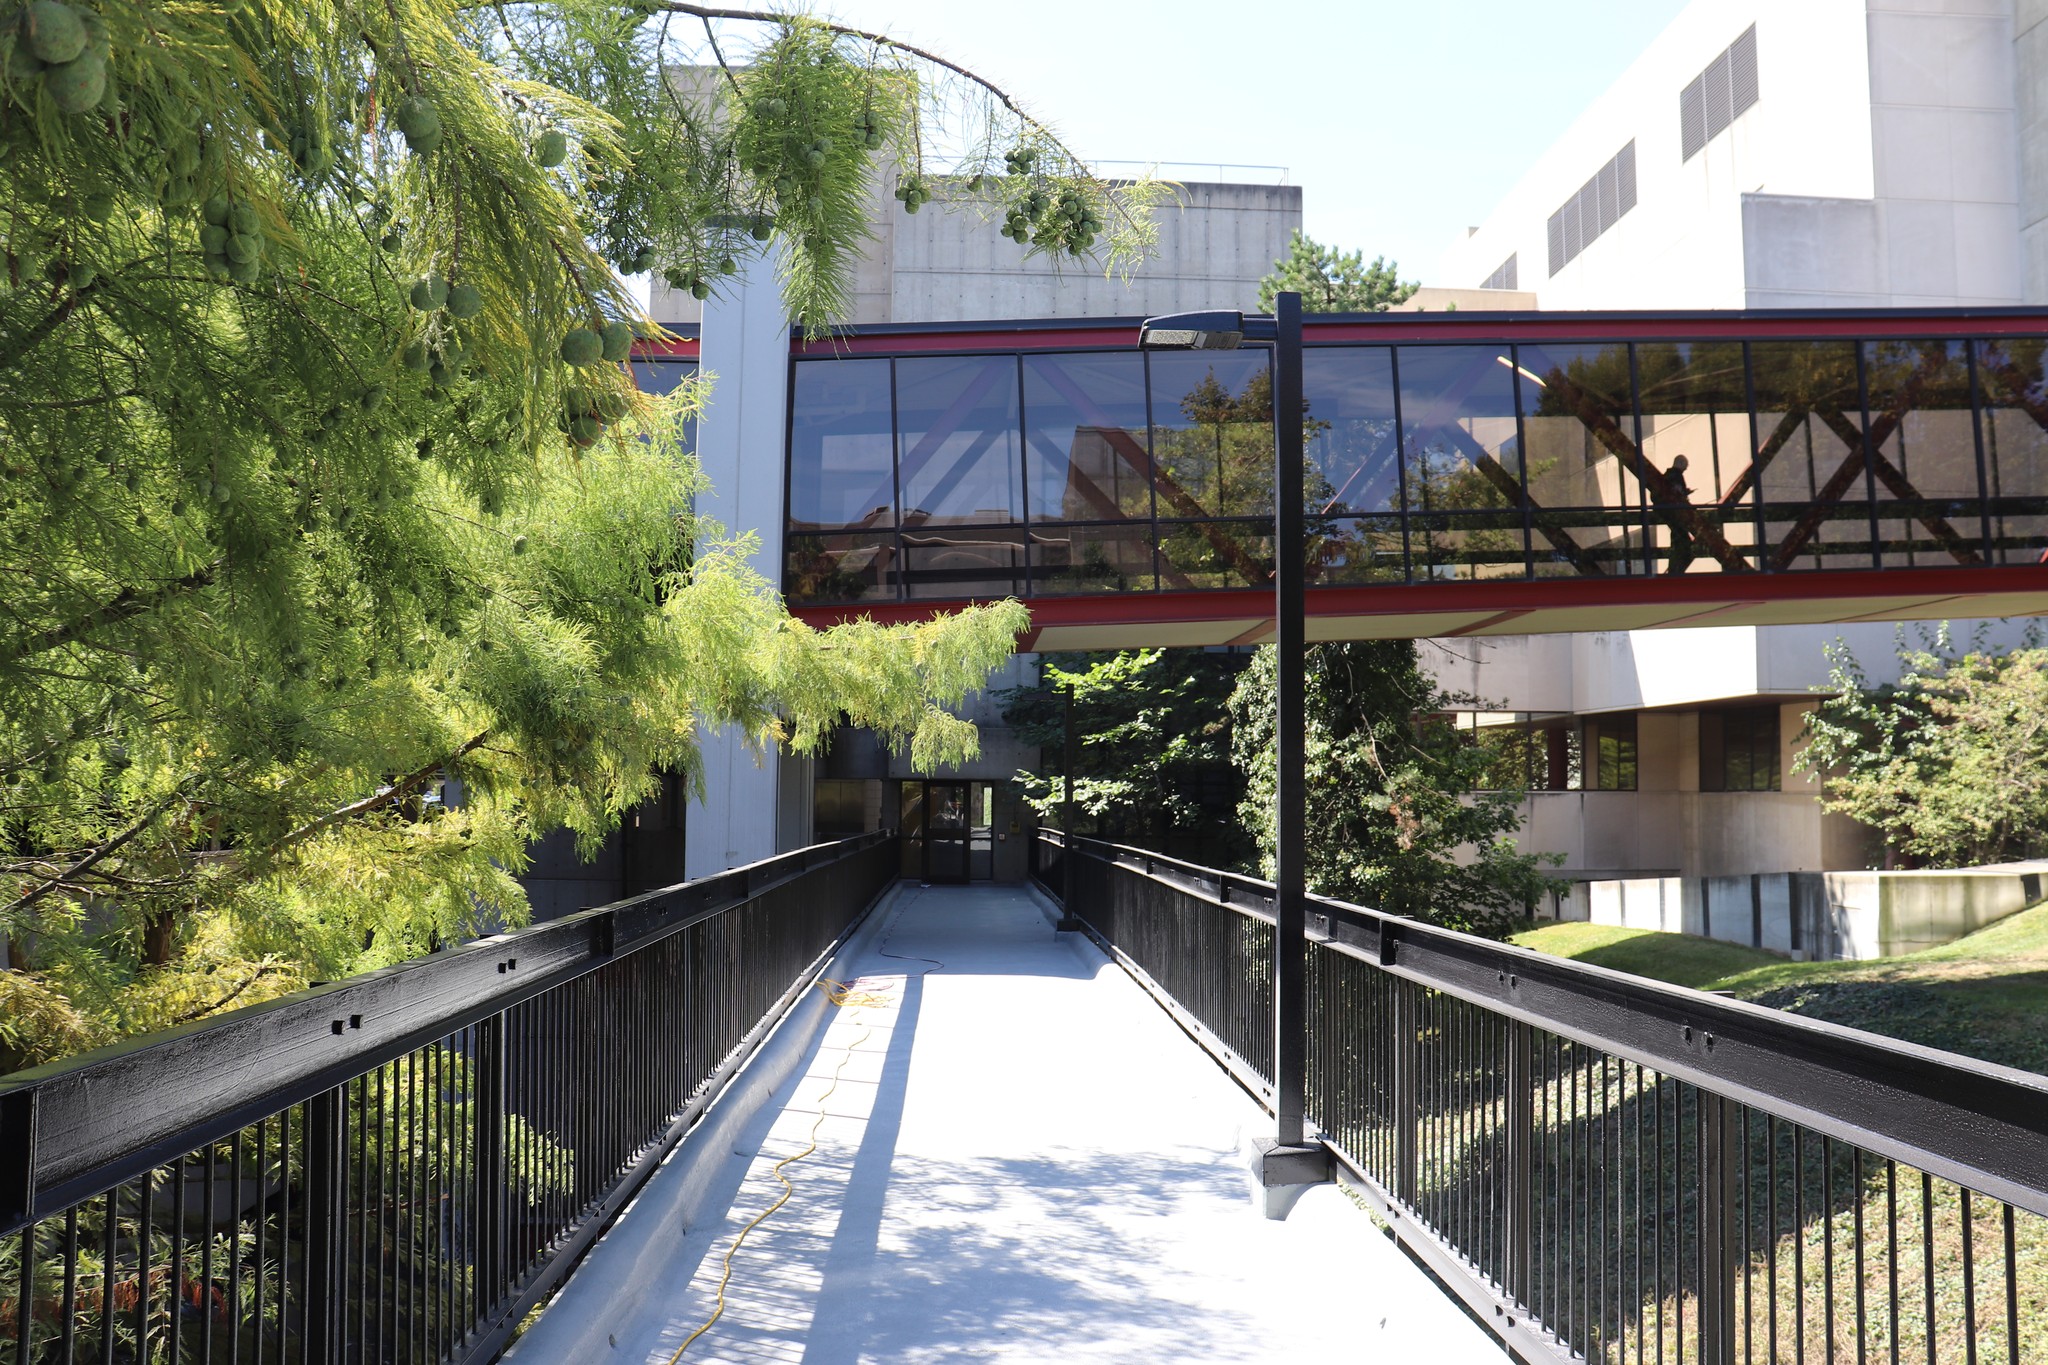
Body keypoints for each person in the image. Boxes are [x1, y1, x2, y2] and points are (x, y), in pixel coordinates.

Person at [1662, 454, 1696, 575]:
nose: (1686, 469)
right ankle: (1675, 571)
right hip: (1675, 513)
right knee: (1682, 541)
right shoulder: (1676, 476)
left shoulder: (1667, 476)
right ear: (1680, 463)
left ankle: (1674, 570)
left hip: (1670, 513)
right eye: (1685, 466)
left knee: (1677, 541)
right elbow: (1677, 493)